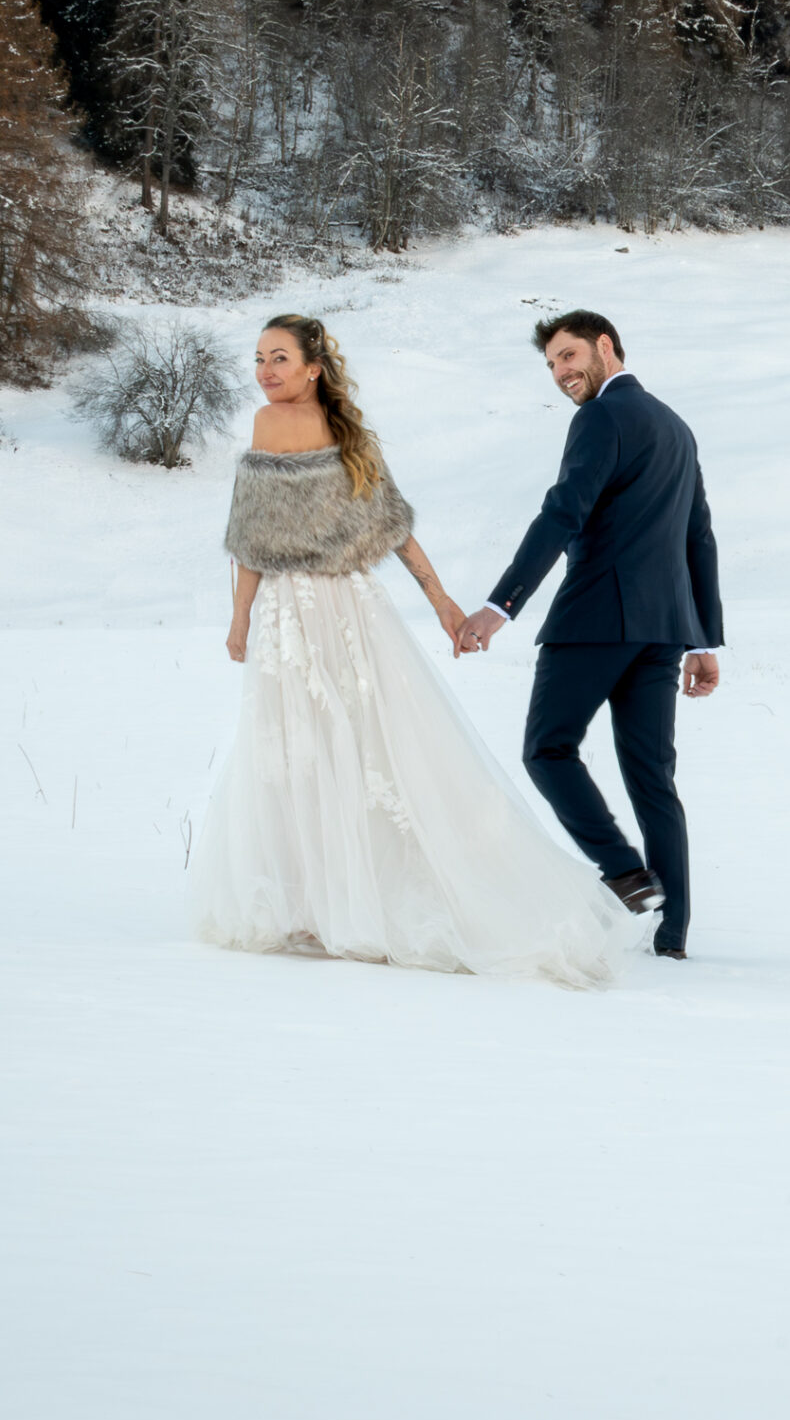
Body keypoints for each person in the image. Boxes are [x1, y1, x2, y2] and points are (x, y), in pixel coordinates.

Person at [190, 313, 640, 987]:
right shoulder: (290, 426)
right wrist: (239, 617)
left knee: (345, 748)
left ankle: (344, 901)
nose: (265, 371)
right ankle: (321, 899)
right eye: (259, 359)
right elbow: (256, 531)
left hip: (331, 607)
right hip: (310, 610)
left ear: (314, 366)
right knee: (314, 751)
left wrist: (444, 603)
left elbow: (391, 528)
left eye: (279, 357)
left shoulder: (329, 433)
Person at [459, 310, 723, 961]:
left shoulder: (602, 417)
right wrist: (704, 640)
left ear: (607, 346)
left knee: (546, 749)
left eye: (570, 354)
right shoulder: (676, 427)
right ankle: (672, 935)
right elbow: (699, 538)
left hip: (596, 619)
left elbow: (563, 510)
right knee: (652, 779)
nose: (561, 371)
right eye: (552, 363)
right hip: (662, 628)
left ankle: (625, 871)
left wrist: (502, 602)